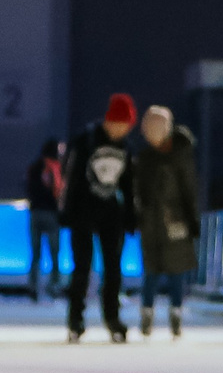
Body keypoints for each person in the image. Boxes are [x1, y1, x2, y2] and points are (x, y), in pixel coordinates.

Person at [62, 96, 138, 343]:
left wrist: (130, 213)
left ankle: (113, 319)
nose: (124, 129)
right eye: (121, 124)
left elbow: (127, 183)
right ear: (111, 120)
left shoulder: (125, 147)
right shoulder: (86, 140)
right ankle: (76, 320)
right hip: (83, 210)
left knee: (113, 269)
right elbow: (71, 175)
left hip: (110, 213)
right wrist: (67, 209)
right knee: (82, 267)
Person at [134, 104, 200, 338]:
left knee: (176, 272)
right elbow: (138, 191)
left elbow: (188, 189)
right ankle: (148, 313)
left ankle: (175, 314)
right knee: (151, 272)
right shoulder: (145, 158)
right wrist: (136, 217)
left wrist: (192, 220)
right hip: (151, 224)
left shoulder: (179, 156)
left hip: (176, 222)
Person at [24, 138, 64, 301]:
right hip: (52, 214)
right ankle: (54, 285)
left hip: (35, 213)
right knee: (55, 253)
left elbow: (29, 188)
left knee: (36, 253)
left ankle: (33, 286)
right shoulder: (56, 167)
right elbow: (59, 190)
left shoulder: (34, 167)